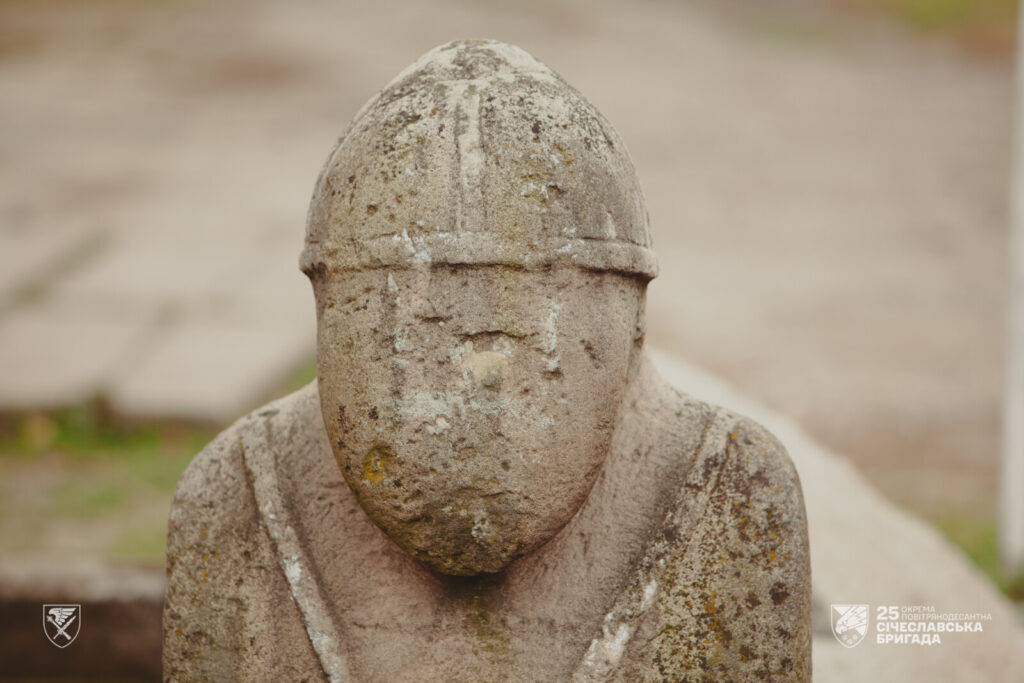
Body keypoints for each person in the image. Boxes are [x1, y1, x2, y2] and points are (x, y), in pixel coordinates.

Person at [163, 39, 810, 682]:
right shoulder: (233, 495)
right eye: (409, 339)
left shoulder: (732, 492)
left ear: (630, 327)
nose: (463, 417)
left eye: (514, 342)